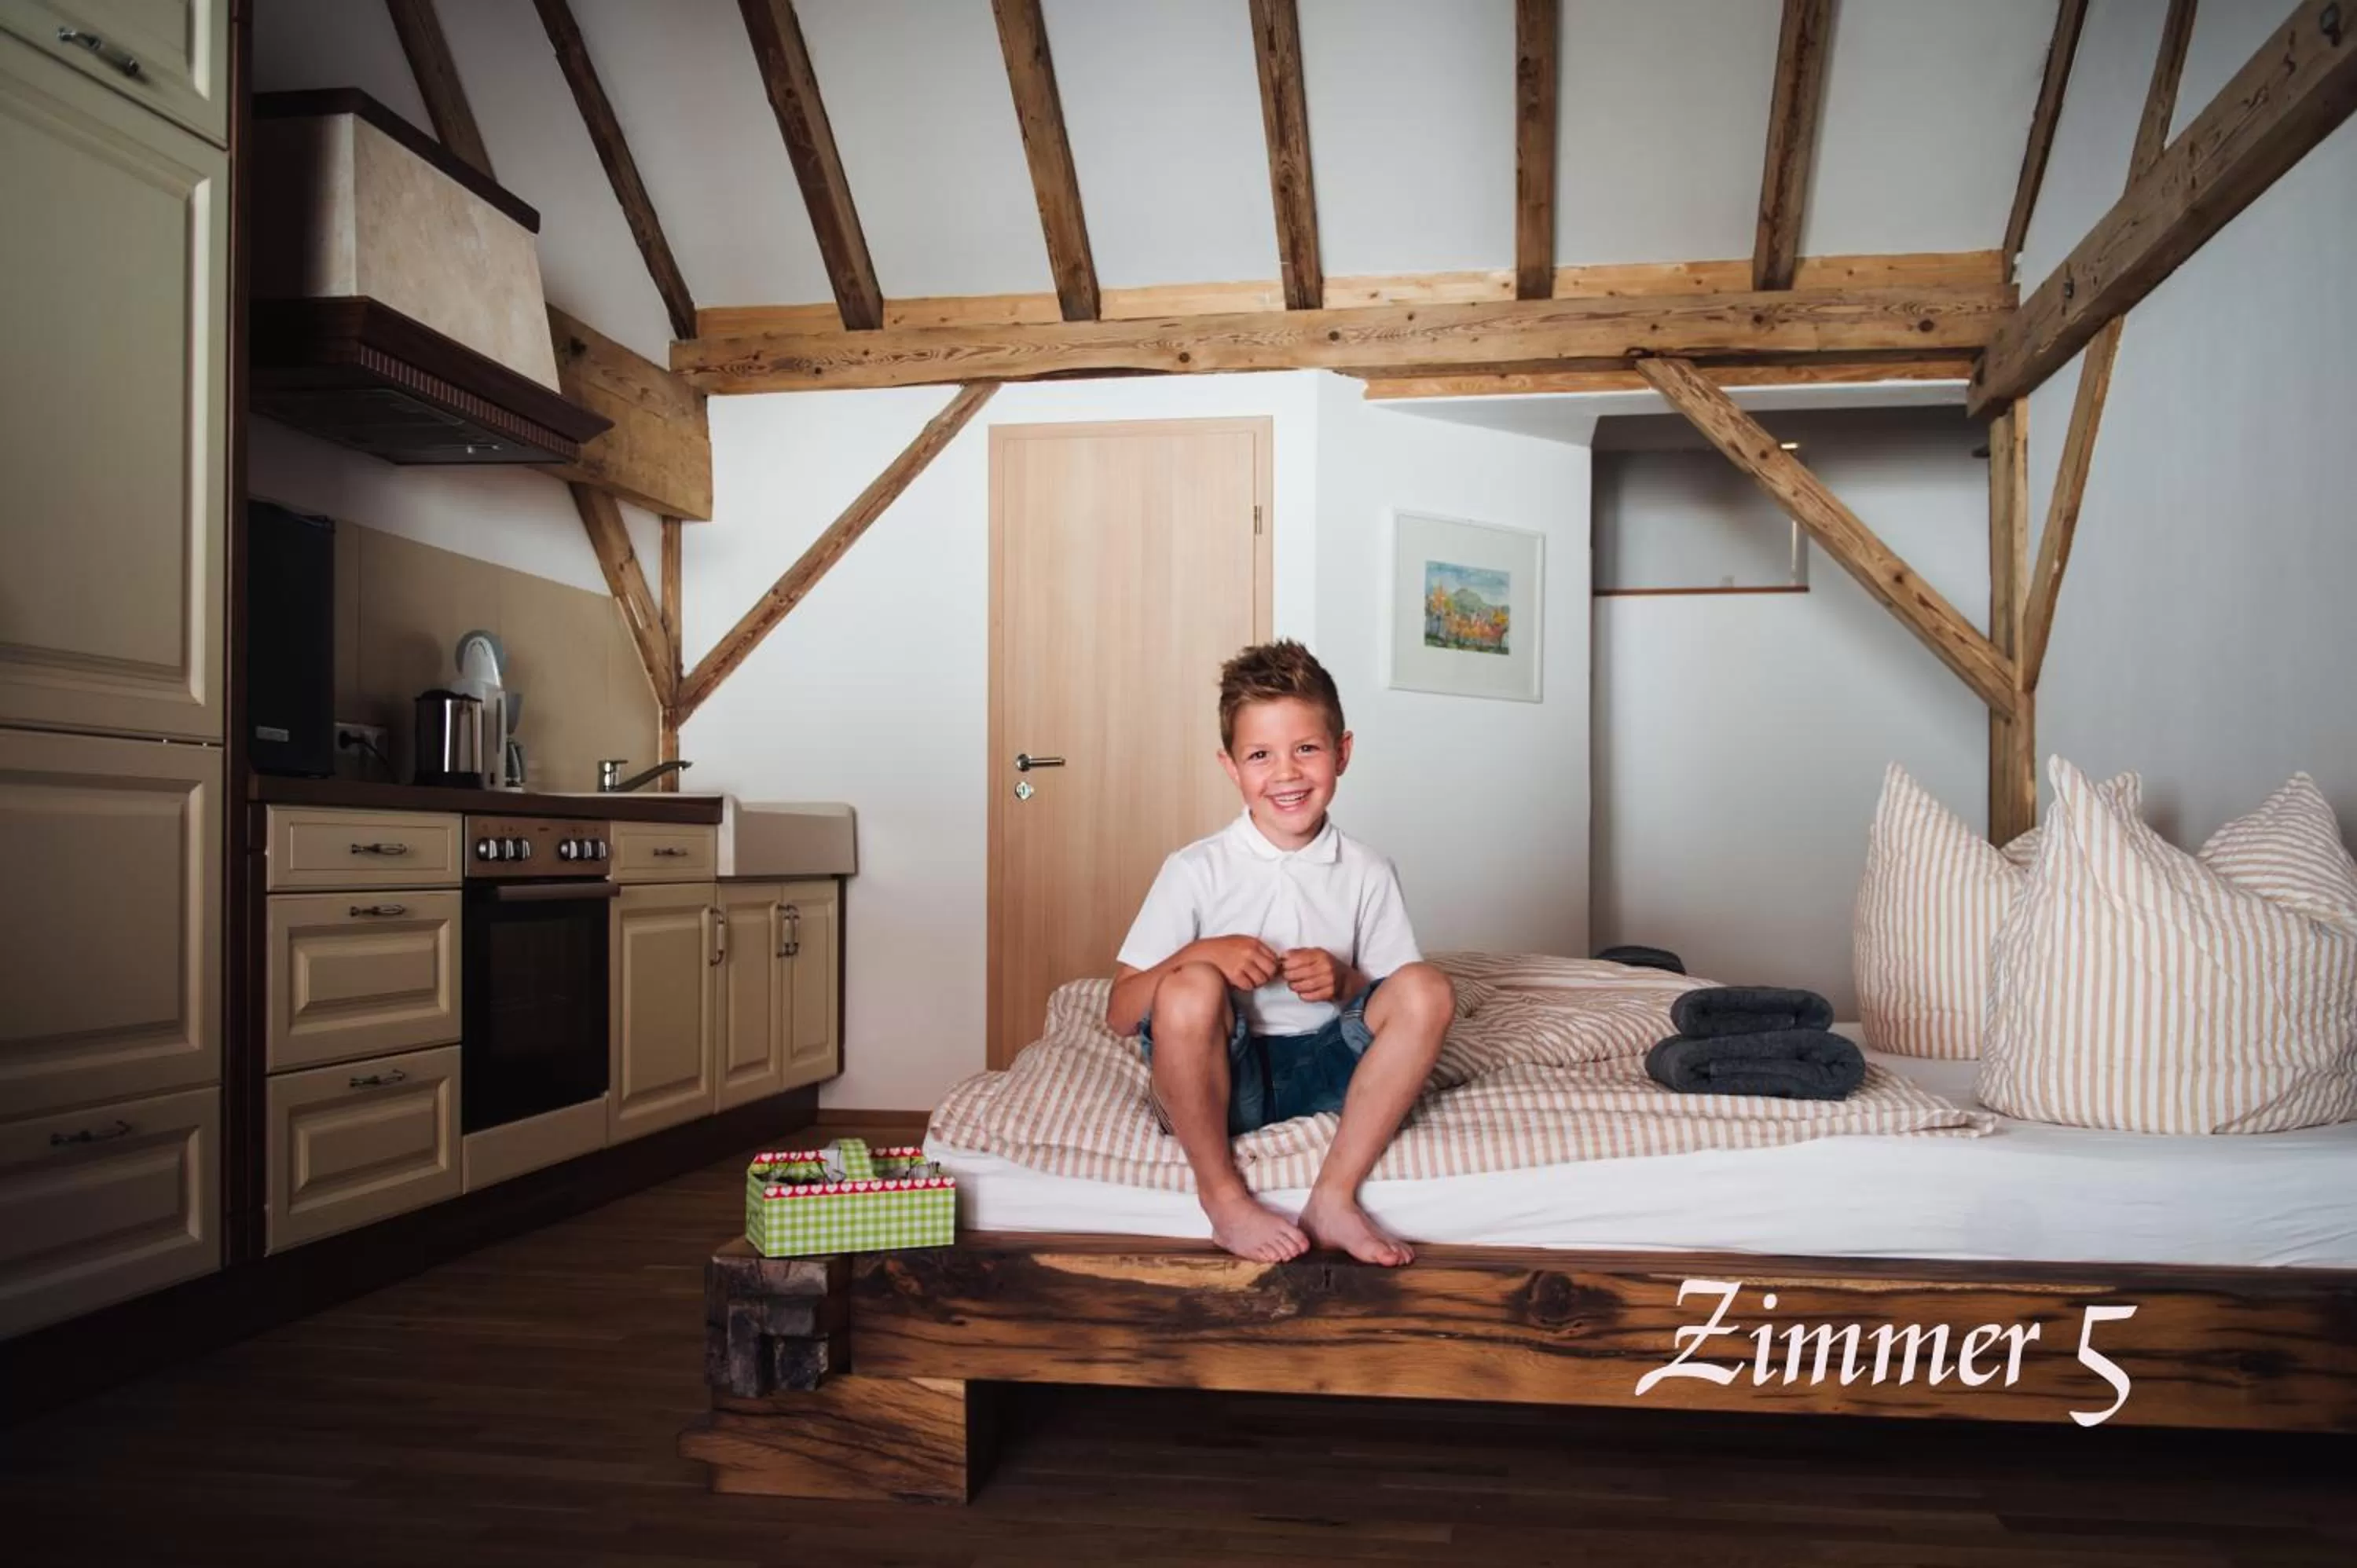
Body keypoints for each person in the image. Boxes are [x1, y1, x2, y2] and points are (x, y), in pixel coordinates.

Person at [1105, 640, 1455, 1266]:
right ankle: (1222, 1197)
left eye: (1307, 749)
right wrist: (1201, 954)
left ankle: (1334, 1196)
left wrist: (1345, 981)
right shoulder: (1195, 869)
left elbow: (1392, 1002)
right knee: (1190, 987)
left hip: (1327, 1076)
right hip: (1220, 1077)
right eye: (1261, 755)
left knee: (1429, 987)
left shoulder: (1368, 871)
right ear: (1231, 767)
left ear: (1342, 753)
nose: (1287, 773)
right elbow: (1120, 1013)